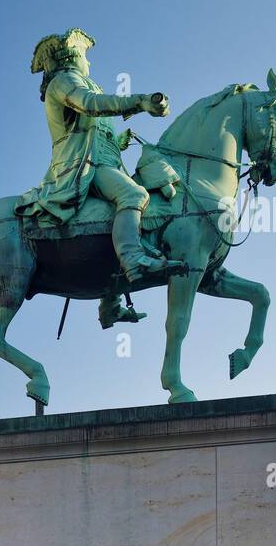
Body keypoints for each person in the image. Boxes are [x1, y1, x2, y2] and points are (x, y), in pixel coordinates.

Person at [15, 27, 182, 327]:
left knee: (124, 212)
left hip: (103, 162)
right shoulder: (64, 81)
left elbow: (94, 132)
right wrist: (140, 100)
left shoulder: (79, 81)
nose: (89, 63)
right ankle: (134, 261)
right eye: (85, 57)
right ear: (72, 58)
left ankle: (110, 303)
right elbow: (92, 104)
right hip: (83, 168)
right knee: (134, 196)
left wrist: (119, 141)